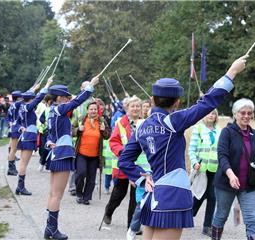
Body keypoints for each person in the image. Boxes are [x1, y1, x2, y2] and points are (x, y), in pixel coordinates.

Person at [118, 56, 247, 240]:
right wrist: (232, 72)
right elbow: (207, 103)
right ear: (177, 102)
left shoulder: (141, 127)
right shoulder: (173, 121)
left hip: (153, 193)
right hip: (173, 192)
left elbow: (124, 161)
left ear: (152, 99)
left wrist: (141, 177)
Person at [44, 76, 99, 240]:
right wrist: (90, 87)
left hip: (56, 153)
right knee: (56, 195)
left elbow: (50, 135)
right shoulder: (59, 109)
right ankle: (52, 230)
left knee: (52, 194)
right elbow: (77, 102)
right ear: (60, 98)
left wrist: (48, 144)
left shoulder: (53, 111)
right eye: (66, 97)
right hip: (62, 154)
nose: (69, 99)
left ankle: (49, 229)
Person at [211, 98, 255, 240]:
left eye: (249, 113)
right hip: (226, 182)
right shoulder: (227, 132)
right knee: (221, 215)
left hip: (248, 184)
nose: (246, 116)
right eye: (243, 113)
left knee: (252, 219)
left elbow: (252, 161)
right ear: (235, 114)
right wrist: (230, 175)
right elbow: (222, 156)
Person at [103, 95, 149, 229]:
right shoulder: (120, 123)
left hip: (139, 166)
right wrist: (123, 152)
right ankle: (109, 211)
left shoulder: (145, 123)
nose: (135, 109)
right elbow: (113, 142)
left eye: (137, 106)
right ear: (127, 108)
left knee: (136, 197)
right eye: (132, 106)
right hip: (123, 165)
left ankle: (132, 226)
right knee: (119, 194)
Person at [15, 77, 53, 195]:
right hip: (29, 136)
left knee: (22, 162)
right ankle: (20, 187)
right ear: (30, 99)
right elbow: (39, 97)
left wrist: (21, 127)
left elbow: (18, 122)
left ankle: (19, 187)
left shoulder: (22, 107)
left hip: (25, 135)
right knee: (23, 164)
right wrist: (47, 85)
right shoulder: (28, 107)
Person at [188, 109, 220, 237]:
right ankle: (189, 214)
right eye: (208, 113)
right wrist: (194, 162)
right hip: (201, 168)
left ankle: (207, 226)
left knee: (212, 196)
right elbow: (192, 149)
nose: (211, 115)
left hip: (215, 168)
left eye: (213, 113)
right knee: (199, 195)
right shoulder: (198, 129)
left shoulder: (219, 130)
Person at [72, 101, 110, 205]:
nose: (93, 111)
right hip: (81, 153)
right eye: (91, 109)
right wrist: (78, 130)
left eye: (95, 109)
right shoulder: (81, 119)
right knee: (81, 173)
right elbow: (71, 131)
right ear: (87, 110)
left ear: (97, 110)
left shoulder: (102, 121)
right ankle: (79, 194)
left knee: (91, 178)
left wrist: (103, 130)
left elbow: (107, 135)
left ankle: (86, 197)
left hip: (95, 155)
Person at [67, 81, 96, 196]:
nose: (88, 89)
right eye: (85, 87)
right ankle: (73, 187)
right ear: (81, 88)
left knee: (87, 169)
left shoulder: (94, 102)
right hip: (77, 141)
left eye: (90, 86)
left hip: (91, 142)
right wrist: (77, 130)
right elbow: (71, 124)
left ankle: (86, 191)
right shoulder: (76, 102)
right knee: (77, 168)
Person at [6, 91, 23, 176]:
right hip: (16, 129)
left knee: (12, 149)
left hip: (13, 128)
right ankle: (11, 169)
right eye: (21, 97)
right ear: (18, 98)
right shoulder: (17, 104)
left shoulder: (12, 105)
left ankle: (11, 168)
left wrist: (10, 123)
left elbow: (8, 118)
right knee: (13, 150)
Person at [37, 95, 54, 172]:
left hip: (54, 132)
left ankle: (49, 165)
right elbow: (41, 118)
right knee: (45, 149)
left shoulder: (57, 109)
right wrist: (46, 122)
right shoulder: (47, 110)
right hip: (45, 132)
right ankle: (42, 163)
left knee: (51, 149)